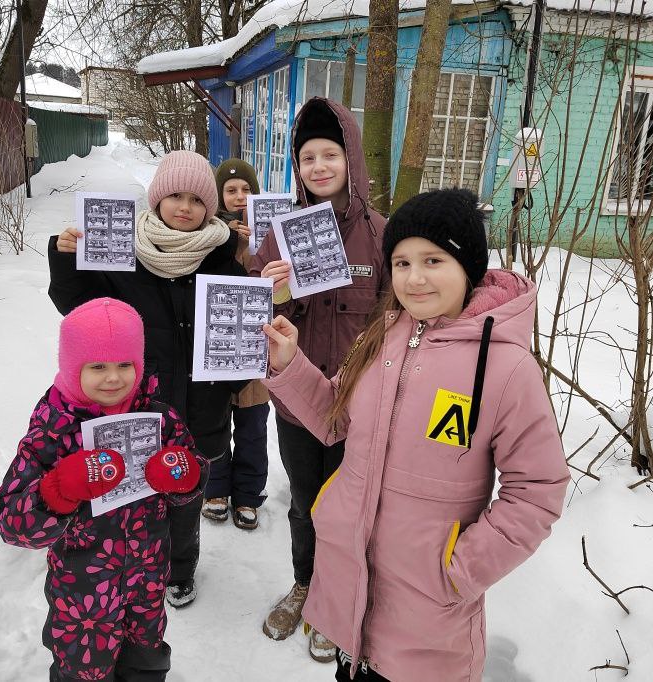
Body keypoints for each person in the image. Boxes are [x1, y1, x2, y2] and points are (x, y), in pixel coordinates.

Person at [261, 188, 571, 682]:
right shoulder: (380, 337)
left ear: (467, 266)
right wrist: (289, 364)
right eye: (402, 263)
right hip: (350, 598)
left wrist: (458, 572)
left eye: (433, 260)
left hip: (428, 624)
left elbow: (537, 491)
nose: (414, 277)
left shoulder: (507, 367)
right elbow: (334, 418)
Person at [48, 151, 248, 609]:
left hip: (200, 408)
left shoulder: (222, 258)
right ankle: (135, 570)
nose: (185, 207)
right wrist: (65, 258)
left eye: (196, 199)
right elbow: (78, 309)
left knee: (184, 496)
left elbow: (241, 334)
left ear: (209, 208)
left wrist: (227, 386)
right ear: (157, 199)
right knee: (133, 495)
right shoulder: (123, 253)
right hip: (137, 409)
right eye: (175, 196)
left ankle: (180, 570)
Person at [0, 297, 208, 681]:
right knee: (83, 672)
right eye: (98, 366)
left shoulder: (159, 418)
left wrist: (187, 475)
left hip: (147, 585)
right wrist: (56, 491)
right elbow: (11, 521)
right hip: (82, 598)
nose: (114, 378)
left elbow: (192, 468)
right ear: (73, 366)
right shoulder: (54, 430)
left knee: (146, 664)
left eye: (125, 364)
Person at [249, 97, 388, 662]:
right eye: (308, 157)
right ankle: (305, 585)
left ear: (350, 157)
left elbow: (402, 317)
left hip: (360, 409)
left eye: (330, 154)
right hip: (298, 405)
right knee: (305, 503)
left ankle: (338, 600)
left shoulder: (382, 235)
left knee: (349, 510)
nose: (319, 166)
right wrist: (270, 291)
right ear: (297, 167)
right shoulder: (280, 236)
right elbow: (248, 316)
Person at [199, 158, 270, 530]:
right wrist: (227, 238)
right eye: (231, 190)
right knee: (214, 424)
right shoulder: (207, 233)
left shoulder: (270, 232)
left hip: (256, 349)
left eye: (246, 189)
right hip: (217, 348)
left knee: (253, 428)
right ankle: (214, 490)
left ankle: (248, 495)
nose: (240, 196)